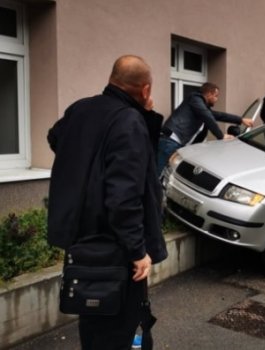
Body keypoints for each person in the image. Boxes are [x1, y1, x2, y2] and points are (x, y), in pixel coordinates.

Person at [47, 55, 168, 350]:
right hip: (113, 246)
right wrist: (137, 250)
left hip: (83, 237)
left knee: (93, 320)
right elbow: (123, 197)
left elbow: (54, 138)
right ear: (145, 90)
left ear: (112, 79)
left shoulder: (80, 109)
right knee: (119, 328)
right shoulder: (127, 120)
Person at [157, 83, 253, 175]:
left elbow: (218, 115)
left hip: (173, 142)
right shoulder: (195, 99)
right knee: (158, 173)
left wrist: (241, 120)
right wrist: (221, 135)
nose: (217, 99)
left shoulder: (200, 105)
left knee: (165, 174)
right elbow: (207, 117)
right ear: (209, 94)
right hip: (170, 141)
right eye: (216, 96)